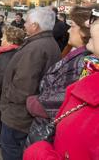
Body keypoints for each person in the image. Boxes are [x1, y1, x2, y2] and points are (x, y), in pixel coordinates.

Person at [23, 9, 99, 159]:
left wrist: (38, 152)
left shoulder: (83, 64)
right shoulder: (88, 64)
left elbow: (54, 104)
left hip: (44, 136)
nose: (69, 29)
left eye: (73, 25)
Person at [0, 7, 61, 160]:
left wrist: (6, 99)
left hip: (19, 116)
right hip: (25, 113)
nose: (24, 25)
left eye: (27, 22)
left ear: (35, 26)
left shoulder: (36, 48)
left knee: (11, 150)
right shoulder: (47, 43)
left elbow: (23, 88)